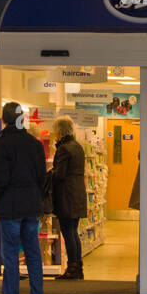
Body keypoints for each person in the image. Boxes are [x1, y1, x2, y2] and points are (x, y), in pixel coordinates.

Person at [0, 101, 47, 294]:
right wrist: (37, 198)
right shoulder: (35, 144)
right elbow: (42, 177)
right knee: (33, 253)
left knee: (11, 254)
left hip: (10, 206)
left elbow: (0, 179)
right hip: (31, 205)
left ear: (4, 120)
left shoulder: (3, 144)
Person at [50, 116, 88, 280]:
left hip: (67, 195)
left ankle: (72, 269)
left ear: (59, 131)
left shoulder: (64, 148)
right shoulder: (78, 147)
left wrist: (48, 173)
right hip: (77, 193)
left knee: (68, 231)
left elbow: (60, 174)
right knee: (73, 231)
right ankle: (77, 267)